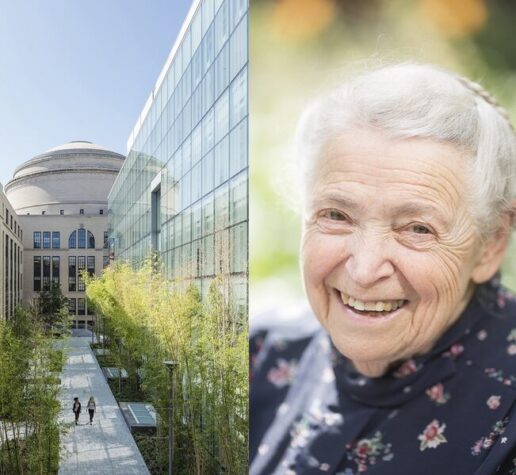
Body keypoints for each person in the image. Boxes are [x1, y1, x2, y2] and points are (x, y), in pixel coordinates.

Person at [250, 64, 516, 474]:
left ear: (490, 245)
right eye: (337, 214)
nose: (363, 269)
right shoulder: (263, 352)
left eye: (417, 228)